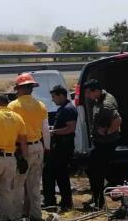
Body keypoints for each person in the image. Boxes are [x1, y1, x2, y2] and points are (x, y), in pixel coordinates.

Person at [8, 73, 49, 221]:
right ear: (31, 88)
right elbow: (45, 131)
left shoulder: (13, 106)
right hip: (38, 147)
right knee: (34, 186)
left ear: (19, 88)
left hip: (21, 150)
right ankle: (36, 216)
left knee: (18, 184)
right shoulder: (41, 105)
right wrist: (47, 149)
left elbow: (11, 130)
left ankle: (16, 217)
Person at [82, 78, 122, 210]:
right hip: (101, 142)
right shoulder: (101, 98)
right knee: (97, 169)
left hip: (105, 143)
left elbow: (117, 120)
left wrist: (107, 131)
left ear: (96, 91)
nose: (87, 96)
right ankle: (100, 197)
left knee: (95, 171)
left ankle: (99, 201)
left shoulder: (105, 104)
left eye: (88, 93)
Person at [46, 85, 78, 210]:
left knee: (60, 174)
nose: (53, 100)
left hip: (63, 148)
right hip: (61, 147)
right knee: (59, 175)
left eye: (54, 97)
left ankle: (65, 201)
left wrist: (54, 132)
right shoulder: (63, 108)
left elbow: (71, 128)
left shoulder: (68, 109)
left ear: (61, 95)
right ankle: (64, 201)